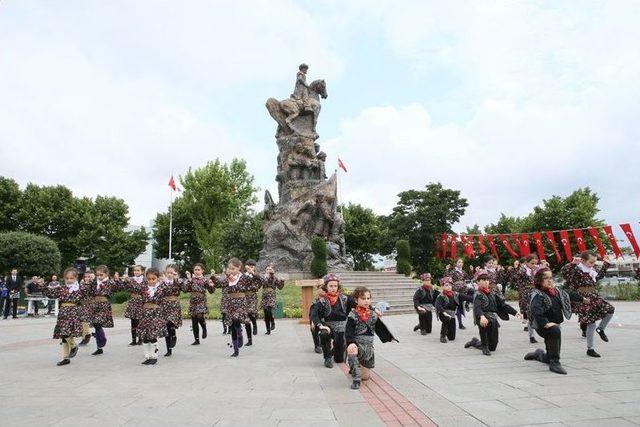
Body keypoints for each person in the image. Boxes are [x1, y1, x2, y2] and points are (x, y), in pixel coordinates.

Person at [524, 267, 587, 375]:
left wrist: (583, 299)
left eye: (551, 278)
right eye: (546, 278)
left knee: (551, 348)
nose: (549, 280)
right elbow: (536, 310)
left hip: (554, 324)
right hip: (542, 325)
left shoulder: (555, 291)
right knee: (555, 331)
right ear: (539, 280)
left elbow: (568, 294)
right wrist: (545, 323)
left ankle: (539, 354)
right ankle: (555, 363)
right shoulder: (537, 294)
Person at [561, 251, 615, 358]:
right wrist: (572, 263)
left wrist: (606, 264)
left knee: (610, 309)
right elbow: (565, 272)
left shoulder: (592, 270)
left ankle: (601, 329)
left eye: (594, 262)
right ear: (583, 261)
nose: (593, 264)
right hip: (583, 298)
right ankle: (590, 349)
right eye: (591, 262)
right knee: (591, 323)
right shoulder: (576, 270)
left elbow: (599, 276)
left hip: (593, 295)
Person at [345, 286, 397, 390]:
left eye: (368, 298)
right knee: (352, 351)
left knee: (365, 377)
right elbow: (349, 330)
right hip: (357, 343)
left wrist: (389, 337)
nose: (366, 301)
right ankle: (355, 378)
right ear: (356, 300)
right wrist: (351, 342)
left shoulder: (373, 314)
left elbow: (379, 328)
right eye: (363, 299)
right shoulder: (352, 314)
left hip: (368, 347)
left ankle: (355, 367)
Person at [464, 273, 520, 355]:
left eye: (487, 280)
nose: (486, 282)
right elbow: (477, 307)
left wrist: (515, 313)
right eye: (483, 280)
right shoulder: (477, 294)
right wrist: (482, 317)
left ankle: (474, 342)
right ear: (478, 282)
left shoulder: (492, 294)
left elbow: (502, 305)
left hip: (493, 318)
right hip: (483, 317)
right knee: (484, 330)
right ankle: (484, 346)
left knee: (493, 347)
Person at [39, 268, 84, 366]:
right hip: (63, 313)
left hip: (73, 313)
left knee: (66, 333)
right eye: (67, 278)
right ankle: (65, 358)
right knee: (63, 335)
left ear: (76, 278)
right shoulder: (61, 288)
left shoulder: (80, 289)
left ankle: (73, 346)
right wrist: (42, 286)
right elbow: (50, 293)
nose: (69, 280)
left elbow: (86, 298)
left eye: (71, 278)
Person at [310, 273, 356, 368]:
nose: (333, 288)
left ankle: (333, 352)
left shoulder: (345, 298)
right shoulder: (321, 301)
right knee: (324, 334)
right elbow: (314, 314)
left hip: (341, 327)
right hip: (327, 326)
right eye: (331, 286)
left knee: (339, 359)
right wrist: (320, 325)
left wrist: (372, 308)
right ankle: (327, 357)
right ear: (326, 287)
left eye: (335, 286)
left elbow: (358, 303)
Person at [210, 258, 252, 357]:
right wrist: (213, 278)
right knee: (232, 325)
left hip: (241, 302)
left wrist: (251, 272)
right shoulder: (228, 279)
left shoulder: (244, 277)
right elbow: (219, 283)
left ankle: (240, 334)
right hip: (231, 303)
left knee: (236, 319)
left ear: (239, 267)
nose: (231, 270)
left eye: (233, 268)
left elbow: (256, 281)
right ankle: (236, 350)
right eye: (230, 268)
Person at [138, 268, 169, 365]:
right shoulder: (143, 287)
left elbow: (169, 289)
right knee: (145, 336)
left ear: (157, 278)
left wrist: (165, 280)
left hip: (156, 314)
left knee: (152, 335)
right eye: (149, 279)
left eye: (153, 279)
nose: (151, 281)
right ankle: (147, 356)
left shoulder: (161, 287)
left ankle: (154, 357)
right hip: (145, 314)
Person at [510, 255, 544, 343]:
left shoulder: (537, 270)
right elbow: (514, 277)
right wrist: (517, 267)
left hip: (536, 293)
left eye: (535, 263)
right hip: (526, 294)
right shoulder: (523, 270)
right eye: (532, 263)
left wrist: (543, 267)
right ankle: (531, 336)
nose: (534, 265)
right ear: (526, 263)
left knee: (537, 313)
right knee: (530, 314)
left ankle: (539, 332)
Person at [86, 265, 116, 356]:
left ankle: (102, 339)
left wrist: (118, 280)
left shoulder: (110, 282)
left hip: (104, 305)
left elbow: (117, 288)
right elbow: (89, 292)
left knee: (97, 322)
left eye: (101, 275)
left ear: (106, 274)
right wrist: (87, 283)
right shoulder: (94, 283)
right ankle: (99, 348)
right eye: (98, 275)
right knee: (95, 325)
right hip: (95, 305)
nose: (99, 277)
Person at [182, 263, 213, 346]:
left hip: (201, 300)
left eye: (198, 270)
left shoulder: (205, 280)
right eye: (195, 270)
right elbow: (185, 290)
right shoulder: (191, 279)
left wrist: (211, 285)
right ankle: (196, 339)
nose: (197, 271)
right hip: (193, 300)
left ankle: (204, 328)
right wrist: (188, 279)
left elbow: (211, 290)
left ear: (202, 270)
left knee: (199, 315)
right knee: (194, 320)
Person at [115, 266, 146, 346]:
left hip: (141, 301)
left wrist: (129, 281)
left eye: (138, 270)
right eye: (135, 270)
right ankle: (133, 340)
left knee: (139, 321)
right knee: (133, 321)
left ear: (142, 272)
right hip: (133, 301)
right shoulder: (131, 280)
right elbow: (121, 287)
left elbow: (140, 288)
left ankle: (140, 338)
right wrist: (119, 280)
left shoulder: (145, 280)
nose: (136, 272)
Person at [435, 278, 473, 343]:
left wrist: (473, 293)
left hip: (452, 315)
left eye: (450, 285)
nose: (449, 286)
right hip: (443, 314)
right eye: (446, 285)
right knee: (446, 319)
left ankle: (448, 331)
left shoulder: (456, 294)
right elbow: (438, 305)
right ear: (442, 286)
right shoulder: (441, 296)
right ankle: (442, 335)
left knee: (452, 338)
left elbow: (468, 298)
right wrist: (444, 313)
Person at [160, 264, 182, 357]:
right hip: (165, 305)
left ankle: (173, 335)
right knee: (166, 327)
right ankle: (169, 349)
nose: (169, 274)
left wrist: (177, 280)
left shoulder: (178, 282)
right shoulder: (162, 283)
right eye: (167, 272)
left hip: (174, 305)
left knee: (171, 323)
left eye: (171, 273)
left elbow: (184, 289)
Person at [444, 259, 472, 329]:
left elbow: (469, 278)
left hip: (463, 289)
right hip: (456, 290)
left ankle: (467, 304)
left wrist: (471, 270)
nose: (460, 263)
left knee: (472, 291)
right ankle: (460, 324)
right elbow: (447, 278)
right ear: (456, 263)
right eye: (459, 262)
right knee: (459, 307)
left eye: (462, 262)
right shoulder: (453, 271)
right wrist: (447, 269)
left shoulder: (463, 271)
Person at [260, 263, 284, 335]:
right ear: (265, 270)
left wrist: (282, 281)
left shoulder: (274, 277)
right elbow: (259, 284)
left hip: (271, 296)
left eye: (270, 269)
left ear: (273, 270)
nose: (268, 270)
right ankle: (268, 330)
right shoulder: (263, 277)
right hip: (265, 296)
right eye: (267, 269)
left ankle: (272, 321)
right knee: (266, 313)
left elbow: (280, 287)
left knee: (268, 309)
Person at [243, 259, 262, 338]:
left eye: (252, 267)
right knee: (246, 316)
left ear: (254, 267)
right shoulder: (243, 275)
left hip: (253, 296)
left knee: (251, 311)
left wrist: (253, 273)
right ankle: (249, 338)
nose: (250, 268)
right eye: (249, 267)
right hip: (244, 297)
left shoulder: (256, 275)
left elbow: (261, 280)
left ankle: (254, 324)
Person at [77, 269, 95, 346]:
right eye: (86, 277)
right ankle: (85, 336)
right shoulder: (82, 285)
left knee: (84, 321)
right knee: (82, 321)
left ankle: (86, 336)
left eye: (89, 277)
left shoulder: (93, 285)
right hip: (82, 305)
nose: (87, 278)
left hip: (89, 305)